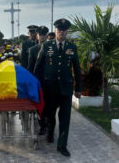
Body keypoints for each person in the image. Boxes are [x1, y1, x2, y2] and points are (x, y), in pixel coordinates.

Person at [34, 18, 82, 157]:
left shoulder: (72, 48)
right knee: (50, 115)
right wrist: (37, 86)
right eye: (59, 30)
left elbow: (77, 69)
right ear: (55, 31)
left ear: (67, 32)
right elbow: (38, 67)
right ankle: (50, 132)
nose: (62, 32)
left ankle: (62, 146)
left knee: (65, 118)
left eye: (64, 30)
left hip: (66, 89)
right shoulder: (47, 45)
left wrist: (78, 88)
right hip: (50, 89)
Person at [27, 25, 49, 135]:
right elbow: (30, 67)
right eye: (40, 35)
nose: (42, 37)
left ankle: (48, 123)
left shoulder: (52, 48)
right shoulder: (33, 50)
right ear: (38, 36)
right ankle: (42, 125)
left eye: (44, 35)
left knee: (50, 104)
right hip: (38, 81)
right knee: (40, 104)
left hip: (50, 81)